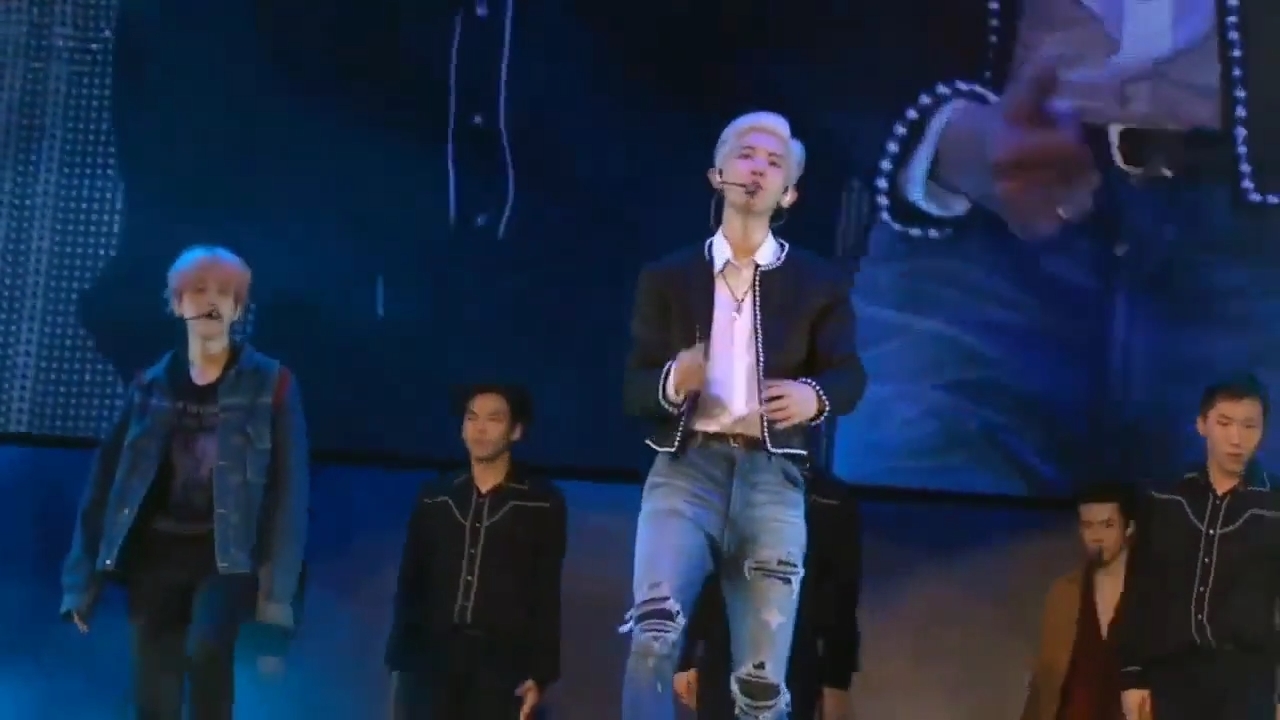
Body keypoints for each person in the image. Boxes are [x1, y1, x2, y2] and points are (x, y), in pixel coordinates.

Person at [837, 0, 1280, 496]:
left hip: (1258, 235)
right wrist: (956, 143)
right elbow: (806, 37)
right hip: (973, 220)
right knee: (908, 516)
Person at [620, 110, 866, 720]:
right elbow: (634, 385)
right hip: (685, 471)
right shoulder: (669, 276)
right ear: (717, 175)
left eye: (774, 163)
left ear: (789, 194)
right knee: (653, 633)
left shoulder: (818, 282)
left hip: (771, 479)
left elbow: (849, 375)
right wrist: (673, 379)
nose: (758, 168)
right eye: (746, 155)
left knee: (761, 681)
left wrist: (813, 396)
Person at [59, 245, 311, 720]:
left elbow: (289, 496)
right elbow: (106, 486)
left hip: (228, 557)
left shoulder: (272, 384)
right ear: (177, 303)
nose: (210, 301)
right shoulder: (149, 386)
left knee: (206, 653)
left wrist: (276, 600)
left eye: (224, 292)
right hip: (156, 555)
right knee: (154, 690)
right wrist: (81, 583)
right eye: (197, 290)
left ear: (238, 308)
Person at [386, 384, 567, 720]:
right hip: (432, 659)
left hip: (500, 665)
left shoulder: (541, 503)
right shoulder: (436, 496)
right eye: (472, 418)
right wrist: (399, 661)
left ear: (516, 431)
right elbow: (411, 581)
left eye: (493, 419)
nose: (480, 429)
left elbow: (545, 590)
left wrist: (540, 673)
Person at [1111, 374, 1280, 720]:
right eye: (1224, 423)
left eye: (1249, 426)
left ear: (1263, 432)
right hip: (1173, 678)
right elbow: (1140, 593)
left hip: (1248, 684)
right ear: (1202, 424)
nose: (1236, 438)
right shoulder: (1166, 499)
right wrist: (1132, 675)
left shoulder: (1273, 506)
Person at [672, 467, 861, 720]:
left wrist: (836, 682)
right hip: (722, 657)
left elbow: (842, 599)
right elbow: (699, 574)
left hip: (793, 662)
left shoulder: (831, 500)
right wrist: (686, 657)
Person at [1020, 482, 1137, 720]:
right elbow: (1046, 677)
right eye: (1088, 526)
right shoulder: (1065, 593)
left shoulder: (1152, 593)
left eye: (1107, 525)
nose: (1096, 536)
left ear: (1129, 528)